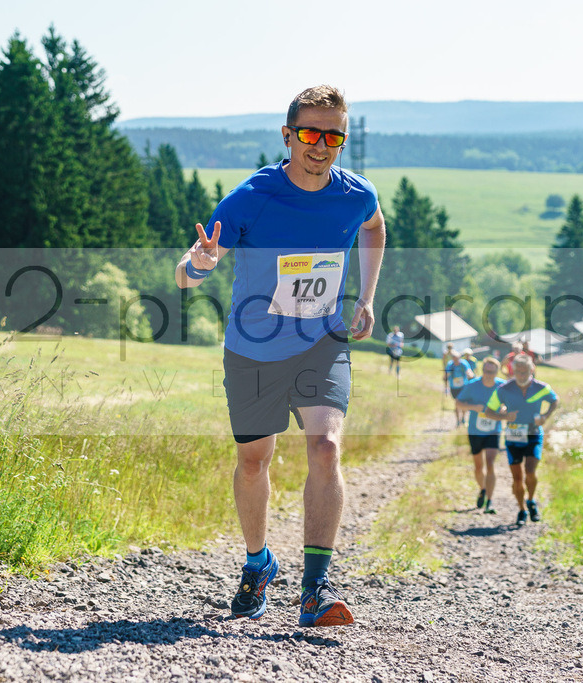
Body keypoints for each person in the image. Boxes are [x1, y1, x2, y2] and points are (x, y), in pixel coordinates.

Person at [175, 86, 385, 628]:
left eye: (333, 135)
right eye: (311, 133)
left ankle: (315, 589)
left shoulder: (355, 193)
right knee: (254, 461)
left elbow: (375, 226)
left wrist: (366, 297)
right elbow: (190, 270)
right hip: (254, 348)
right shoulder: (251, 197)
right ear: (288, 134)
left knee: (325, 446)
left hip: (322, 341)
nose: (321, 146)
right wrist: (196, 264)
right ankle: (257, 563)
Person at [484, 355, 558, 525]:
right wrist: (504, 416)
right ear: (513, 371)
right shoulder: (504, 389)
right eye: (518, 372)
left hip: (533, 433)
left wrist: (545, 416)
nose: (522, 376)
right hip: (514, 435)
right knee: (517, 478)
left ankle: (531, 500)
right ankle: (522, 510)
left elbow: (555, 400)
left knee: (530, 471)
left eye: (525, 373)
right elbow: (488, 411)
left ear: (531, 370)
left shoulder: (541, 387)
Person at [455, 357, 506, 513]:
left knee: (490, 463)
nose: (488, 374)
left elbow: (509, 404)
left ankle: (490, 501)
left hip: (493, 430)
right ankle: (482, 489)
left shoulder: (502, 386)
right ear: (482, 370)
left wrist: (503, 411)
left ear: (497, 372)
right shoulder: (472, 385)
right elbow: (458, 403)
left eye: (491, 371)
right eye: (485, 371)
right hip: (475, 431)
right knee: (478, 467)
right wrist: (474, 407)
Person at [444, 351, 474, 426]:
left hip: (463, 386)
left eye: (457, 358)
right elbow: (447, 374)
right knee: (457, 404)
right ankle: (457, 420)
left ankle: (463, 418)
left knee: (464, 403)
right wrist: (445, 378)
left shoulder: (463, 363)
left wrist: (470, 375)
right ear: (452, 358)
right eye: (454, 358)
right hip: (454, 387)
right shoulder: (450, 365)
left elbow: (468, 371)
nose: (456, 360)